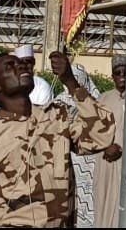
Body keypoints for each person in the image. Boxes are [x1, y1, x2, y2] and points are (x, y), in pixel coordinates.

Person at [0, 51, 115, 227]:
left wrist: (70, 81)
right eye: (10, 66)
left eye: (21, 63)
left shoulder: (57, 116)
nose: (21, 66)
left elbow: (102, 135)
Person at [48, 50, 102, 227]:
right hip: (69, 159)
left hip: (91, 160)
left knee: (91, 200)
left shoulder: (94, 101)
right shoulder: (59, 102)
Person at [93, 56, 126, 228]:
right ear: (112, 76)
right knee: (104, 201)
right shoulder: (103, 99)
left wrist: (121, 146)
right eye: (118, 73)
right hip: (105, 159)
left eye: (125, 73)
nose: (122, 77)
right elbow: (92, 129)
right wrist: (106, 146)